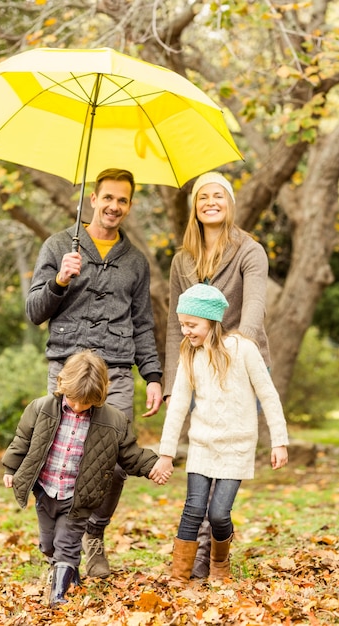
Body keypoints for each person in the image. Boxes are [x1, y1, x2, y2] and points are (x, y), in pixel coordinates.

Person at [25, 168, 163, 578]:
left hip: (117, 372)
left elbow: (142, 322)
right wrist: (59, 280)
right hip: (67, 371)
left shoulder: (135, 260)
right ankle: (56, 548)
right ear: (93, 199)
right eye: (108, 198)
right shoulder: (58, 246)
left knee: (115, 463)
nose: (114, 207)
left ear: (129, 205)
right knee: (55, 458)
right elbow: (34, 312)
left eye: (122, 200)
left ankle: (93, 536)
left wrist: (153, 375)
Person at [163, 170, 271, 578]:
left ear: (229, 203)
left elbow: (255, 308)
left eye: (218, 196)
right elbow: (177, 324)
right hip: (193, 365)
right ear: (195, 205)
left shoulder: (250, 250)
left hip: (240, 362)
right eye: (203, 196)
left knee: (225, 456)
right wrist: (176, 381)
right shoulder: (182, 260)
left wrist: (234, 352)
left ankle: (209, 555)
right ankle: (198, 555)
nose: (211, 202)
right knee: (202, 457)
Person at [2, 350, 170, 607]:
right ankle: (70, 571)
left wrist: (152, 466)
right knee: (48, 545)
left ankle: (58, 595)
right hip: (47, 490)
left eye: (86, 403)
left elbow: (129, 454)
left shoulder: (113, 421)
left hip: (78, 496)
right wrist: (11, 469)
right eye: (74, 399)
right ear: (62, 384)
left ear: (100, 395)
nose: (79, 407)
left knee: (66, 544)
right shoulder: (40, 408)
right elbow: (22, 440)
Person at [156, 284, 288, 583]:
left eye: (192, 325)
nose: (186, 331)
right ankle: (179, 576)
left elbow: (268, 395)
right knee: (192, 510)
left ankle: (219, 561)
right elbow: (177, 406)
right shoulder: (190, 355)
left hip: (237, 447)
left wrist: (279, 441)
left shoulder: (243, 349)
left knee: (218, 514)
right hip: (202, 445)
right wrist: (166, 454)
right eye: (182, 325)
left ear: (212, 321)